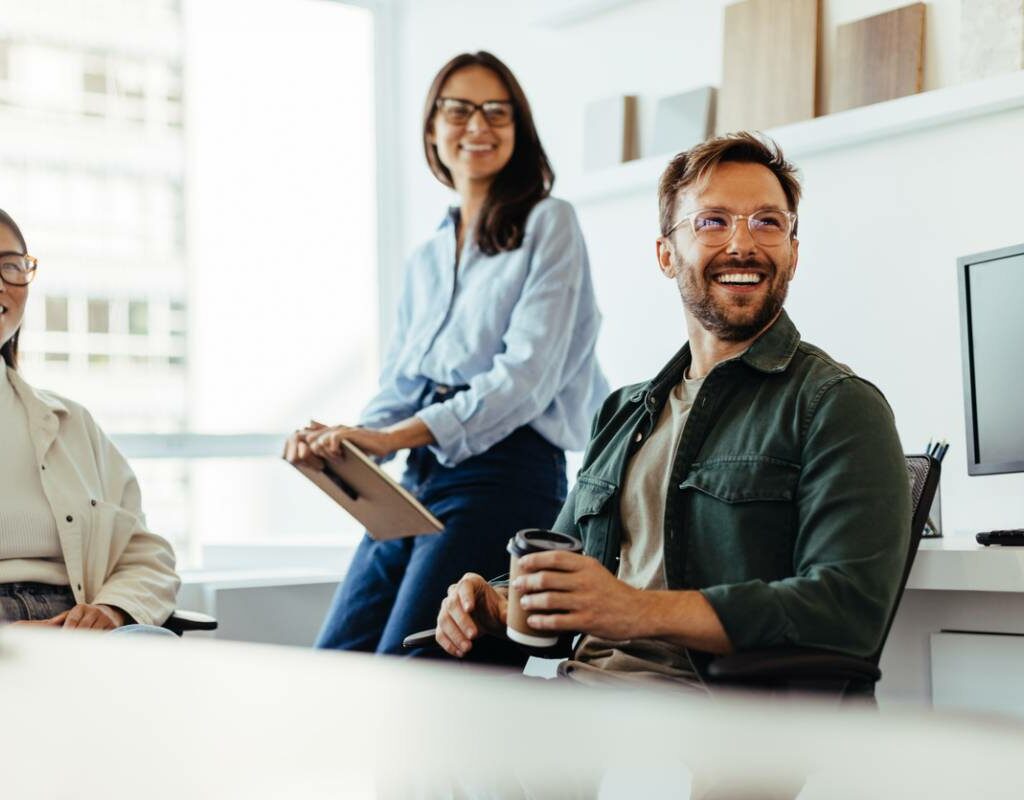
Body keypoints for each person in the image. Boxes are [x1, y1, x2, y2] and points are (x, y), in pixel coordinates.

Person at [433, 132, 912, 693]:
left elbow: (845, 612)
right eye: (712, 221)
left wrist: (637, 610)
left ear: (793, 254)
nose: (743, 244)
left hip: (704, 721)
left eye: (768, 222)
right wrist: (496, 601)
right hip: (575, 700)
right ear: (667, 255)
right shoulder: (623, 410)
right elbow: (564, 585)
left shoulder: (837, 405)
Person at [284, 52, 607, 658]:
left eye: (496, 111)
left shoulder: (550, 223)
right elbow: (404, 380)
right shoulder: (428, 254)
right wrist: (346, 439)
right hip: (421, 475)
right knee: (336, 658)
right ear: (433, 127)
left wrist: (391, 438)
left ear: (520, 127)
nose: (478, 125)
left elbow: (523, 382)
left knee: (413, 669)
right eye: (458, 109)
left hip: (504, 476)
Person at [0, 208, 180, 634]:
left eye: (11, 266)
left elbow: (146, 556)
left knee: (149, 646)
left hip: (75, 629)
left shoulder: (69, 423)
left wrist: (114, 609)